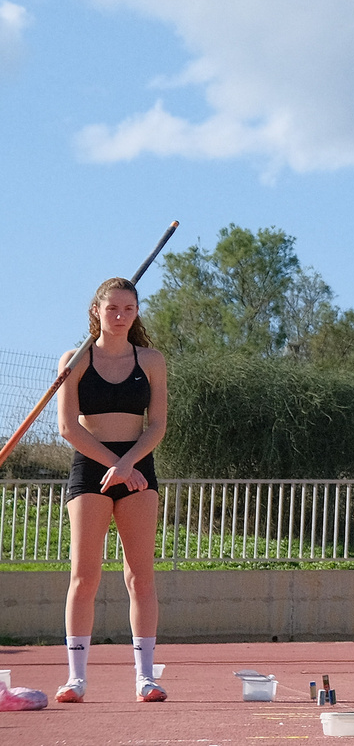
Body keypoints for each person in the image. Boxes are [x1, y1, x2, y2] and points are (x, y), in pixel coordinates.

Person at [53, 277, 169, 704]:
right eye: (112, 309)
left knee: (140, 575)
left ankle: (145, 678)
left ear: (137, 313)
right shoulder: (75, 359)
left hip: (137, 466)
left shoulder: (151, 360)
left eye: (129, 310)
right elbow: (67, 428)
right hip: (92, 468)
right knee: (84, 574)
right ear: (96, 311)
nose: (120, 317)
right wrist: (114, 464)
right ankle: (76, 679)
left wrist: (129, 464)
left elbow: (156, 424)